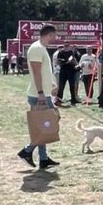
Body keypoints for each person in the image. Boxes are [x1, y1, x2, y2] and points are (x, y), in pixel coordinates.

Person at [17, 25, 60, 169]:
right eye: (54, 35)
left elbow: (45, 71)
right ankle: (27, 150)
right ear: (49, 34)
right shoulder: (37, 49)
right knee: (47, 124)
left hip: (43, 93)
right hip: (38, 95)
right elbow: (36, 72)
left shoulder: (41, 48)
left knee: (44, 125)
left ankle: (43, 158)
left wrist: (51, 86)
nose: (55, 38)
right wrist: (41, 92)